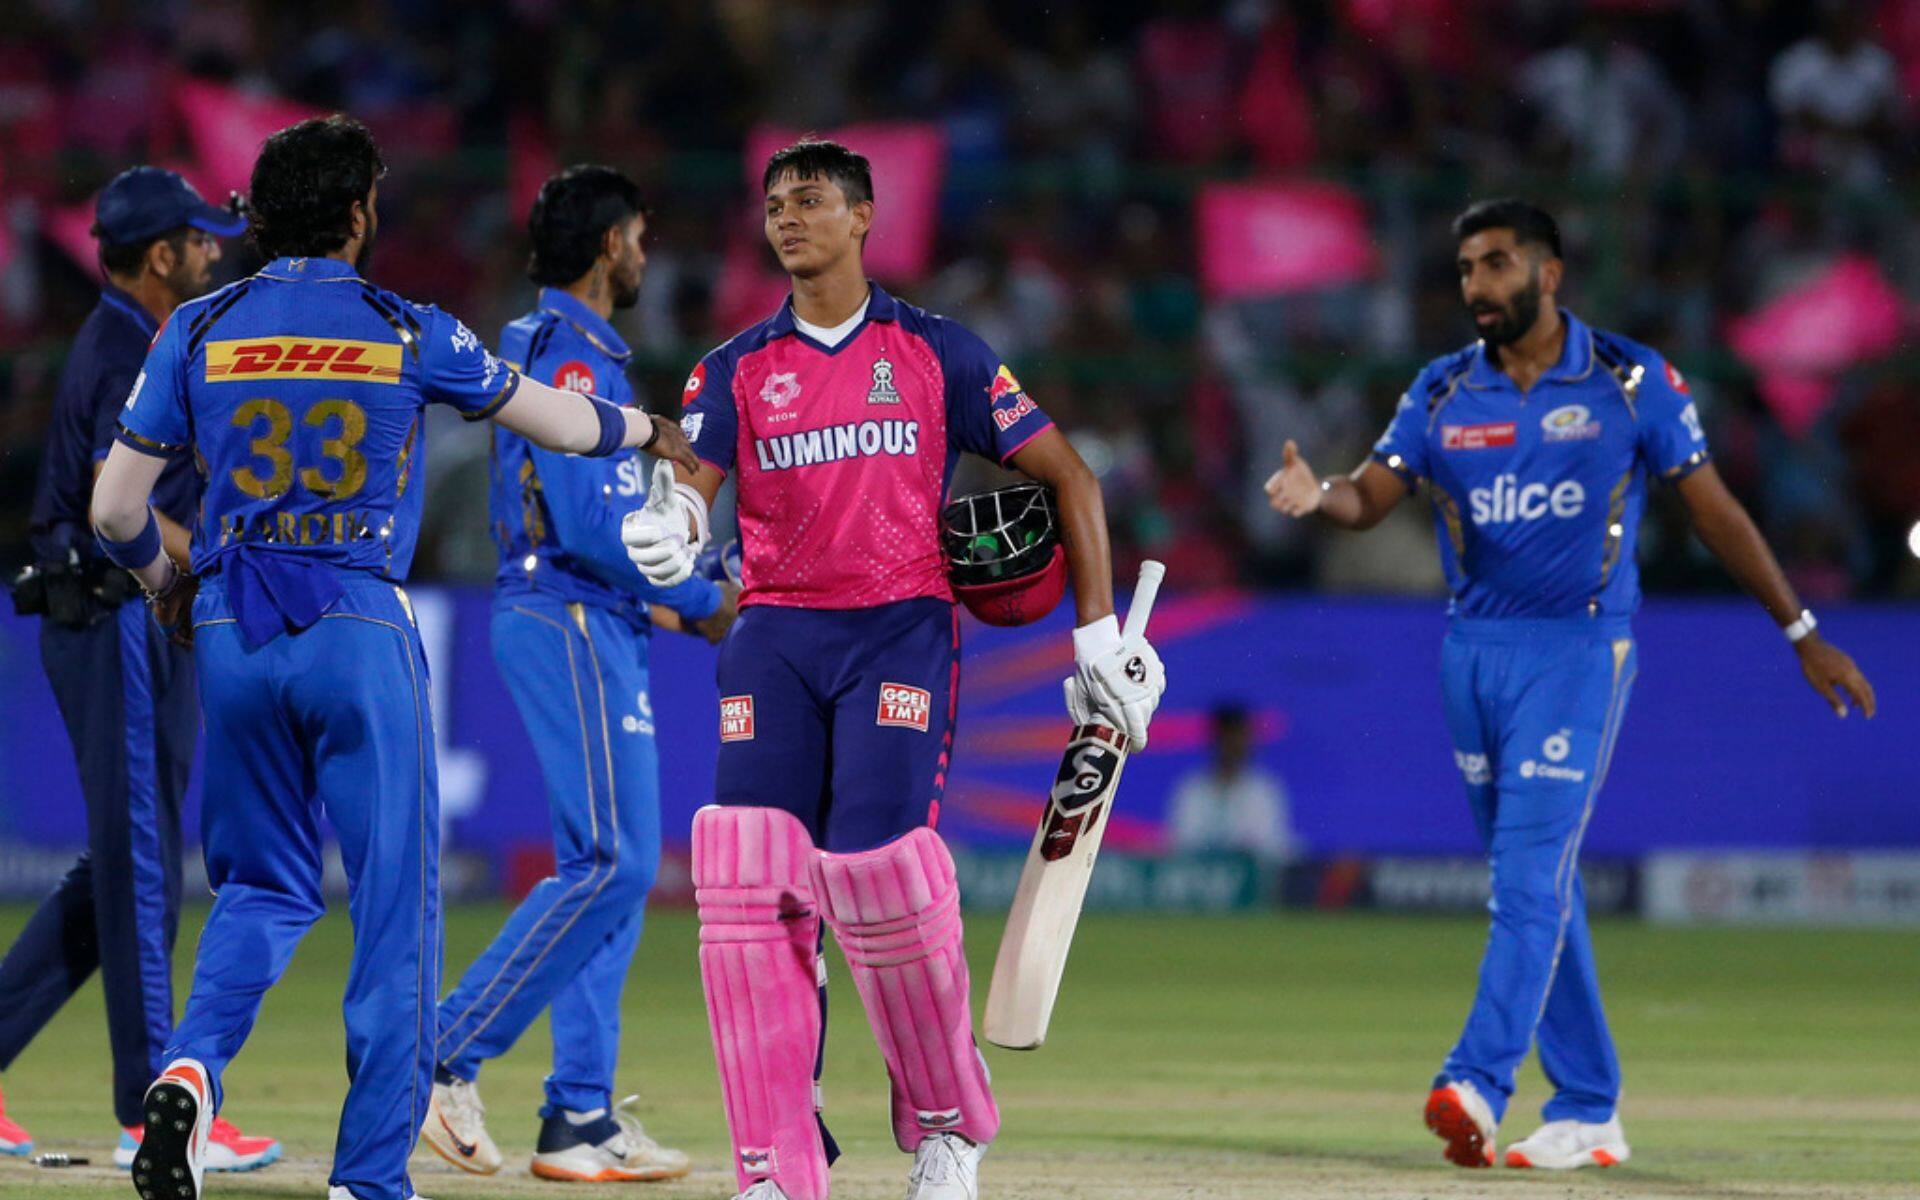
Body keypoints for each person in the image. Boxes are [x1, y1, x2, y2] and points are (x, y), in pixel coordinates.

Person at [90, 115, 698, 1200]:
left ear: (262, 216)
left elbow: (114, 508)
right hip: (358, 625)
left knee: (257, 891)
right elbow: (556, 423)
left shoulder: (196, 326)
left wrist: (171, 591)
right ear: (360, 212)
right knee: (393, 915)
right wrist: (651, 433)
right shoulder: (405, 327)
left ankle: (188, 1073)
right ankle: (369, 1179)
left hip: (233, 623)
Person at [1264, 199, 1876, 1173]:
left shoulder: (1632, 382)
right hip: (1471, 654)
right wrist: (1319, 495)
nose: (1477, 286)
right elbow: (1369, 498)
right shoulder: (1439, 390)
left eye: (1497, 264)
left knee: (1525, 873)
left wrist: (1801, 631)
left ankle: (1478, 1080)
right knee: (1539, 881)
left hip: (1580, 651)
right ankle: (1589, 1107)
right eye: (1465, 268)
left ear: (1549, 276)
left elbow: (1714, 512)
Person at [620, 139, 1166, 1200]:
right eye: (775, 202)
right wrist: (672, 519)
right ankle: (777, 1164)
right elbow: (688, 474)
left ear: (865, 216)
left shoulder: (938, 352)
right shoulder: (733, 367)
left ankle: (948, 1129)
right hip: (774, 637)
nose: (788, 216)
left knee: (877, 876)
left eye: (812, 199)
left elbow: (1070, 477)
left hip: (897, 634)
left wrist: (1097, 636)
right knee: (745, 885)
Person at [420, 164, 733, 1184]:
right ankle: (442, 1057)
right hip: (568, 620)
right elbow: (594, 525)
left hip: (584, 617)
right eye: (639, 235)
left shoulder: (556, 344)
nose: (647, 252)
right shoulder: (576, 360)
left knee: (611, 874)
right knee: (613, 863)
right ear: (610, 246)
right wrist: (700, 598)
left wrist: (673, 598)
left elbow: (594, 525)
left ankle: (580, 1118)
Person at [0, 166, 279, 1172]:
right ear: (161, 255)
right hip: (116, 614)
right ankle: (153, 1104)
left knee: (119, 866)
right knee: (141, 862)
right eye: (199, 241)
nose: (214, 252)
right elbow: (136, 510)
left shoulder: (140, 339)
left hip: (125, 618)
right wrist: (217, 587)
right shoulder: (129, 348)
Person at [1165, 704, 1296, 863]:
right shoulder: (1192, 790)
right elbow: (1179, 845)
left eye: (1241, 739)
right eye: (1229, 739)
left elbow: (1271, 847)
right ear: (1216, 741)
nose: (1235, 746)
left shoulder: (1264, 791)